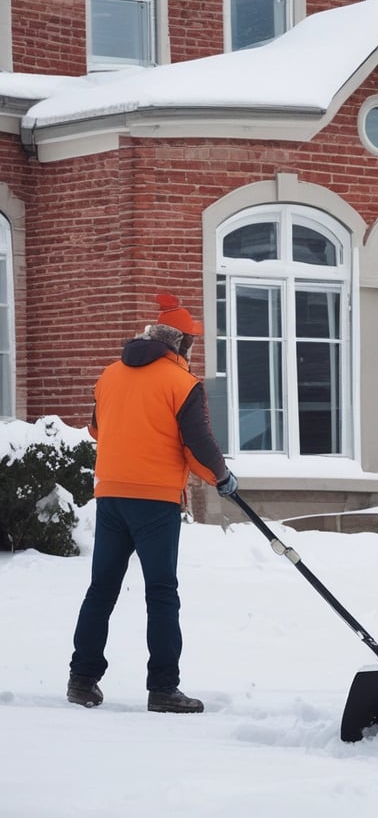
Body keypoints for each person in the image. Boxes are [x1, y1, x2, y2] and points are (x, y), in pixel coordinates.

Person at [67, 293, 238, 713]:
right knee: (161, 593)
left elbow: (94, 429)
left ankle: (81, 680)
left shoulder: (110, 375)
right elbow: (198, 443)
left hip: (110, 496)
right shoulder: (182, 384)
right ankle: (163, 688)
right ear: (182, 344)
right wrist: (222, 476)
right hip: (155, 502)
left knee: (101, 590)